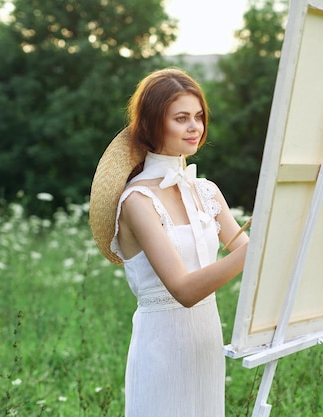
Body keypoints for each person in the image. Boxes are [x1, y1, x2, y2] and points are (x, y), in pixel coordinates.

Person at [89, 67, 248, 416]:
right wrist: (258, 250)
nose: (195, 127)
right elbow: (184, 291)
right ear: (151, 124)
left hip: (206, 346)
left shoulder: (206, 190)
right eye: (181, 118)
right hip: (161, 349)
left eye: (199, 116)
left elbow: (263, 268)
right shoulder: (137, 201)